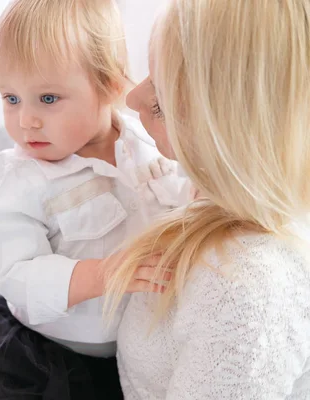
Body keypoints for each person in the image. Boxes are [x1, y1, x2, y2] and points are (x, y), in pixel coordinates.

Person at [0, 0, 191, 399]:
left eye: (47, 99)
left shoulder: (147, 141)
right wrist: (101, 275)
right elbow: (17, 275)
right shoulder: (18, 177)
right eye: (11, 98)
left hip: (135, 355)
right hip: (44, 357)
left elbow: (182, 198)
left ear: (111, 84)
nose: (26, 119)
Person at [104, 0, 310, 398]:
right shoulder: (214, 200)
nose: (132, 100)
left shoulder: (245, 288)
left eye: (160, 102)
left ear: (228, 128)